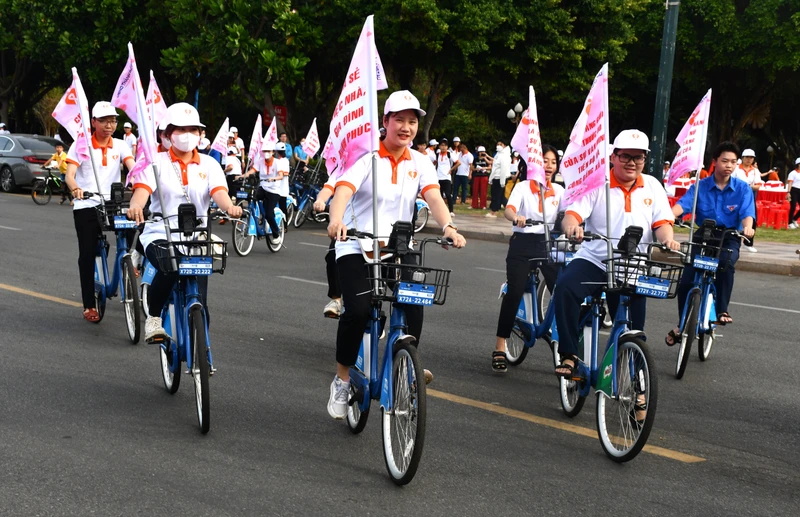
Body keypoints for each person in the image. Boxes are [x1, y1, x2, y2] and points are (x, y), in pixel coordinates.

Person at [325, 90, 466, 419]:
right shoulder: (366, 156)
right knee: (358, 310)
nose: (406, 127)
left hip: (397, 247)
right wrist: (336, 220)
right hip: (356, 244)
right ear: (385, 122)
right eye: (399, 120)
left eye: (412, 121)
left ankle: (406, 359)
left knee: (414, 299)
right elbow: (343, 190)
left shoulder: (420, 161)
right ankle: (342, 379)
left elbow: (433, 197)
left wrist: (448, 226)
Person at [553, 129, 679, 378]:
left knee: (634, 333)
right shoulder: (597, 183)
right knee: (565, 287)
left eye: (638, 157)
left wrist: (668, 240)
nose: (632, 162)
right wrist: (572, 227)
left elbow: (662, 223)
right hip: (596, 260)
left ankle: (638, 387)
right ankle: (568, 354)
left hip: (632, 267)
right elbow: (572, 215)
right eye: (625, 156)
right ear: (613, 156)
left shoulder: (652, 185)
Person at [126, 102, 242, 342]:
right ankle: (154, 318)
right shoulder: (155, 162)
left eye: (193, 129)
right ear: (169, 134)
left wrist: (229, 207)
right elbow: (141, 192)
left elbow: (219, 193)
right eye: (181, 129)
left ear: (200, 133)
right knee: (170, 266)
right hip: (161, 233)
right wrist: (136, 205)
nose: (187, 134)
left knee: (200, 300)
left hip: (196, 237)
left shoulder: (210, 164)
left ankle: (201, 351)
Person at [666, 141, 755, 340]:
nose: (729, 165)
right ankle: (683, 324)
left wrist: (748, 227)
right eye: (725, 161)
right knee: (686, 279)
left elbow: (747, 213)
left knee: (726, 264)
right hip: (704, 234)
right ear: (714, 161)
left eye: (733, 162)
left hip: (729, 236)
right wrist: (668, 217)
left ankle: (722, 309)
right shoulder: (700, 186)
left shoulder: (742, 189)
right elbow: (683, 205)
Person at [492, 144, 564, 372]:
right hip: (522, 244)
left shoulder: (559, 191)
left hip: (547, 245)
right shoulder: (523, 187)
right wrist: (516, 217)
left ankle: (566, 347)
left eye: (553, 162)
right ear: (535, 163)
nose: (549, 166)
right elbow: (509, 210)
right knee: (514, 292)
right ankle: (500, 346)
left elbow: (568, 215)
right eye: (545, 161)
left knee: (563, 290)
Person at [64, 101, 135, 322]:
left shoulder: (121, 145)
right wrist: (75, 189)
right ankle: (88, 304)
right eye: (104, 121)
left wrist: (138, 181)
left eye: (113, 121)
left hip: (112, 203)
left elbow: (132, 167)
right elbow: (69, 175)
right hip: (87, 203)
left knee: (135, 222)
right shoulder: (81, 145)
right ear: (93, 122)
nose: (109, 125)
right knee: (86, 254)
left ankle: (130, 258)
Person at [244, 141, 289, 238]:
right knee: (251, 197)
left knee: (269, 214)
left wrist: (274, 178)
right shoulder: (260, 161)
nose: (266, 153)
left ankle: (276, 232)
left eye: (268, 151)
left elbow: (281, 176)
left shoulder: (277, 162)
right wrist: (242, 176)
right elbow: (252, 171)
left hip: (274, 191)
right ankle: (256, 215)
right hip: (263, 188)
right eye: (264, 151)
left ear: (273, 152)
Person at [314, 174, 343, 318]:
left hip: (385, 231)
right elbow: (329, 188)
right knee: (333, 255)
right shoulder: (346, 168)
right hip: (348, 226)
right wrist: (320, 200)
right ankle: (336, 300)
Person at [733, 148, 760, 252]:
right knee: (734, 216)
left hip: (750, 195)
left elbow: (758, 185)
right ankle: (733, 240)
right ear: (743, 158)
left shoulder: (755, 171)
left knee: (752, 218)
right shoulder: (736, 169)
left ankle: (748, 243)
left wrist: (749, 187)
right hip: (736, 194)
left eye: (751, 158)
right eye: (747, 157)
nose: (749, 160)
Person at [487, 140, 511, 217]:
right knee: (500, 196)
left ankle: (493, 211)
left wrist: (502, 181)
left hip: (501, 178)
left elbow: (503, 169)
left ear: (504, 145)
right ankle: (510, 208)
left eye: (501, 144)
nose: (499, 146)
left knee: (497, 195)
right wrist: (491, 178)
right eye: (498, 144)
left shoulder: (505, 155)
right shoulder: (498, 154)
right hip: (496, 177)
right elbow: (494, 168)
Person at [436, 139, 455, 215]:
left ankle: (451, 211)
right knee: (439, 195)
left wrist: (451, 169)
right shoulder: (437, 154)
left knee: (448, 194)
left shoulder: (449, 154)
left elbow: (458, 162)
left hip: (446, 177)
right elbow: (435, 163)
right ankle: (440, 210)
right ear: (439, 146)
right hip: (439, 177)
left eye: (445, 146)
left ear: (447, 147)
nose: (443, 147)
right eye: (442, 145)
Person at [786, 158, 800, 229]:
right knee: (793, 206)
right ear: (797, 164)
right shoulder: (793, 173)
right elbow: (790, 183)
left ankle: (794, 219)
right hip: (794, 190)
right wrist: (788, 192)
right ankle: (790, 222)